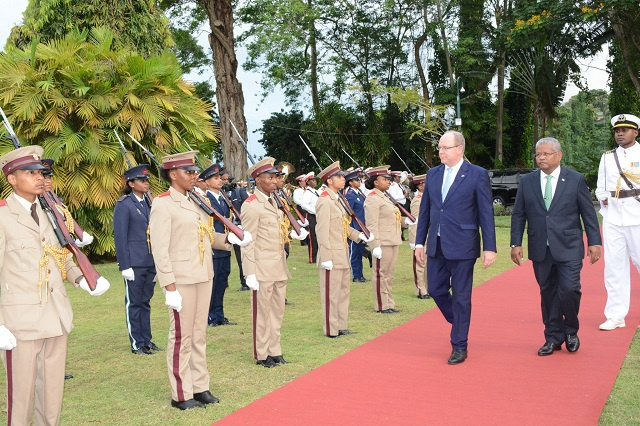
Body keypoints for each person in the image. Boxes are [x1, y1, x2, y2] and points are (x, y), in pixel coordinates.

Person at [0, 146, 109, 425]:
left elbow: (60, 255)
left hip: (56, 315)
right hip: (19, 322)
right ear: (11, 179)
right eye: (29, 173)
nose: (39, 178)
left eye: (40, 173)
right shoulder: (2, 216)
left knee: (52, 395)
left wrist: (82, 279)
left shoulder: (51, 212)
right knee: (21, 399)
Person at [148, 151, 252, 410]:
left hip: (203, 274)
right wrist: (169, 286)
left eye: (195, 172)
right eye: (189, 172)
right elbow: (159, 249)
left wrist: (229, 239)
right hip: (181, 279)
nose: (195, 176)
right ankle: (181, 393)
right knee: (181, 336)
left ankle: (200, 386)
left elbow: (206, 236)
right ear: (173, 175)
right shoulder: (163, 203)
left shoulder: (198, 199)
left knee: (199, 335)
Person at [511, 137, 602, 356]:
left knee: (569, 289)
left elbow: (588, 214)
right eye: (538, 154)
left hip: (569, 245)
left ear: (558, 155)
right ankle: (552, 336)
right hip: (540, 247)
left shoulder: (575, 179)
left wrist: (595, 242)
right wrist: (516, 243)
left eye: (546, 154)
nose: (541, 158)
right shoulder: (527, 181)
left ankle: (571, 330)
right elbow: (518, 214)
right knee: (548, 292)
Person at [414, 130, 496, 365]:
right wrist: (420, 241)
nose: (440, 152)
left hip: (463, 245)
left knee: (461, 297)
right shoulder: (433, 174)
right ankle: (459, 319)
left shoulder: (476, 174)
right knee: (436, 290)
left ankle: (459, 344)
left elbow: (485, 212)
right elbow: (427, 211)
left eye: (444, 148)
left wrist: (489, 247)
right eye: (439, 148)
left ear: (459, 149)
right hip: (437, 245)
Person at [241, 157, 307, 368]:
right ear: (258, 180)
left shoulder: (275, 201)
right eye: (269, 177)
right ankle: (262, 354)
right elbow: (248, 241)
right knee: (263, 313)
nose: (274, 181)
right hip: (261, 267)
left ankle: (275, 350)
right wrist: (249, 272)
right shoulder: (251, 205)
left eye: (274, 177)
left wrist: (290, 233)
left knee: (277, 312)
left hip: (279, 265)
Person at [316, 162, 374, 337]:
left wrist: (358, 235)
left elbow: (343, 226)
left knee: (343, 291)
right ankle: (331, 329)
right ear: (330, 180)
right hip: (331, 254)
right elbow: (322, 230)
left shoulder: (338, 199)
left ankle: (341, 325)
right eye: (340, 177)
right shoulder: (325, 200)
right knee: (331, 293)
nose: (343, 179)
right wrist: (325, 256)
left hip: (341, 251)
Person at [595, 113, 640, 331]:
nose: (620, 133)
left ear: (636, 132)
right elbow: (600, 185)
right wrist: (603, 199)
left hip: (638, 216)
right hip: (613, 217)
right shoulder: (607, 157)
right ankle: (615, 315)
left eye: (624, 130)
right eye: (617, 130)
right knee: (614, 268)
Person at [113, 164, 161, 355]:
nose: (146, 183)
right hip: (134, 262)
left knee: (145, 301)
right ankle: (136, 342)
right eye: (141, 180)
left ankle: (147, 340)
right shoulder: (124, 205)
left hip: (149, 260)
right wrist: (125, 265)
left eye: (147, 180)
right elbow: (120, 236)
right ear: (131, 184)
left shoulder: (149, 203)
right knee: (133, 303)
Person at [200, 164, 237, 327]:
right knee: (212, 283)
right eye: (215, 178)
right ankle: (209, 315)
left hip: (226, 246)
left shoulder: (223, 198)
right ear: (206, 182)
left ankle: (219, 314)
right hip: (213, 246)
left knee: (222, 281)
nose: (220, 180)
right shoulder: (204, 200)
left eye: (220, 178)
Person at [363, 166, 402, 314]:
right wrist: (375, 245)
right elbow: (371, 224)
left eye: (388, 179)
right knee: (381, 273)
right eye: (384, 179)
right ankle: (382, 305)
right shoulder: (372, 198)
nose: (388, 182)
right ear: (375, 182)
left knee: (389, 274)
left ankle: (389, 303)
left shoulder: (385, 196)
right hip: (382, 241)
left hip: (392, 239)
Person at [226, 175, 250, 290]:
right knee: (239, 257)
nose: (225, 182)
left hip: (242, 227)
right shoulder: (220, 195)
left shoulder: (239, 192)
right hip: (231, 229)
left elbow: (248, 207)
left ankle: (248, 280)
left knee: (246, 255)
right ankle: (243, 282)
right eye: (222, 179)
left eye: (227, 180)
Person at [408, 174, 429, 299]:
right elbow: (415, 222)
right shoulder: (417, 200)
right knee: (420, 264)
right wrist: (415, 240)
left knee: (428, 265)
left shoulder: (427, 198)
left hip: (430, 235)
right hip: (421, 236)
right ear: (421, 186)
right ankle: (421, 290)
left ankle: (428, 287)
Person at [344, 170, 368, 282]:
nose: (359, 181)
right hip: (355, 227)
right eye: (356, 180)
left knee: (359, 252)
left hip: (362, 226)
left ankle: (361, 274)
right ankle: (356, 275)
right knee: (355, 253)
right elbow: (349, 213)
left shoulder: (359, 194)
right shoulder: (350, 195)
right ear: (350, 182)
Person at [299, 172, 320, 263]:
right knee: (312, 237)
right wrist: (314, 211)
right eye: (312, 180)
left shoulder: (314, 191)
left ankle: (318, 256)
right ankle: (312, 257)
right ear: (308, 182)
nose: (315, 182)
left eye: (314, 180)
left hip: (317, 215)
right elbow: (304, 205)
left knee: (318, 236)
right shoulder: (307, 192)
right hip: (311, 216)